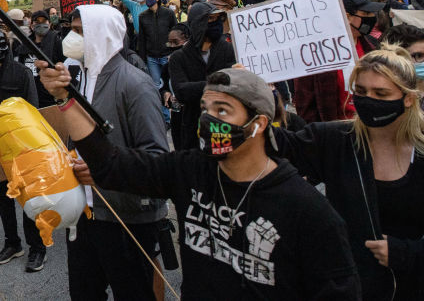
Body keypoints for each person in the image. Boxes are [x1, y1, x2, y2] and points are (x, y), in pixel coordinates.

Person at [37, 64, 361, 299]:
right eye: (206, 108)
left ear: (258, 124)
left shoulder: (309, 210)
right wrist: (65, 97)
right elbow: (110, 165)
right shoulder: (190, 170)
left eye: (223, 111)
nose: (209, 120)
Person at [274, 48, 424, 299]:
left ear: (407, 98)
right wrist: (251, 97)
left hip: (410, 287)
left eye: (381, 93)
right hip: (347, 286)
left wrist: (405, 253)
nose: (368, 100)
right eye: (361, 91)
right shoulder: (336, 140)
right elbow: (278, 147)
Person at [63, 5, 170, 300]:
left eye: (81, 32)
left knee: (134, 292)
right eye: (72, 30)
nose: (73, 38)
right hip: (85, 214)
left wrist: (103, 171)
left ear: (104, 34)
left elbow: (157, 159)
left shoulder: (135, 84)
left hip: (127, 216)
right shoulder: (81, 79)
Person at [0, 28, 46, 272]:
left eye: (1, 44)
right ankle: (12, 243)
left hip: (20, 147)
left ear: (8, 46)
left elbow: (32, 109)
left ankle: (37, 247)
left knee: (28, 199)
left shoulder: (22, 73)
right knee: (3, 199)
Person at [294, 0, 381, 123]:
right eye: (366, 13)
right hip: (335, 133)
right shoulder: (317, 54)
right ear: (347, 16)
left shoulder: (372, 47)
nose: (371, 17)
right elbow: (306, 103)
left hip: (369, 127)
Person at [168, 0, 235, 149]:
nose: (215, 22)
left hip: (223, 124)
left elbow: (233, 83)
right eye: (210, 19)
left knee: (222, 162)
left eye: (217, 18)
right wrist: (217, 83)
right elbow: (181, 91)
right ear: (198, 23)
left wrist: (198, 87)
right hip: (192, 124)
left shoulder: (228, 49)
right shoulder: (179, 57)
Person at [136, 0, 177, 118]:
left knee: (171, 85)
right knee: (157, 86)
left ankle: (175, 112)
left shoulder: (168, 14)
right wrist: (142, 59)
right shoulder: (142, 16)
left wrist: (174, 53)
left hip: (167, 55)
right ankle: (165, 116)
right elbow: (141, 39)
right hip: (151, 57)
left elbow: (176, 33)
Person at [19, 10, 64, 108]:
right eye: (37, 22)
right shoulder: (25, 45)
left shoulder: (56, 42)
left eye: (44, 22)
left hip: (51, 98)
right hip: (32, 97)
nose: (41, 24)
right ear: (31, 26)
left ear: (49, 24)